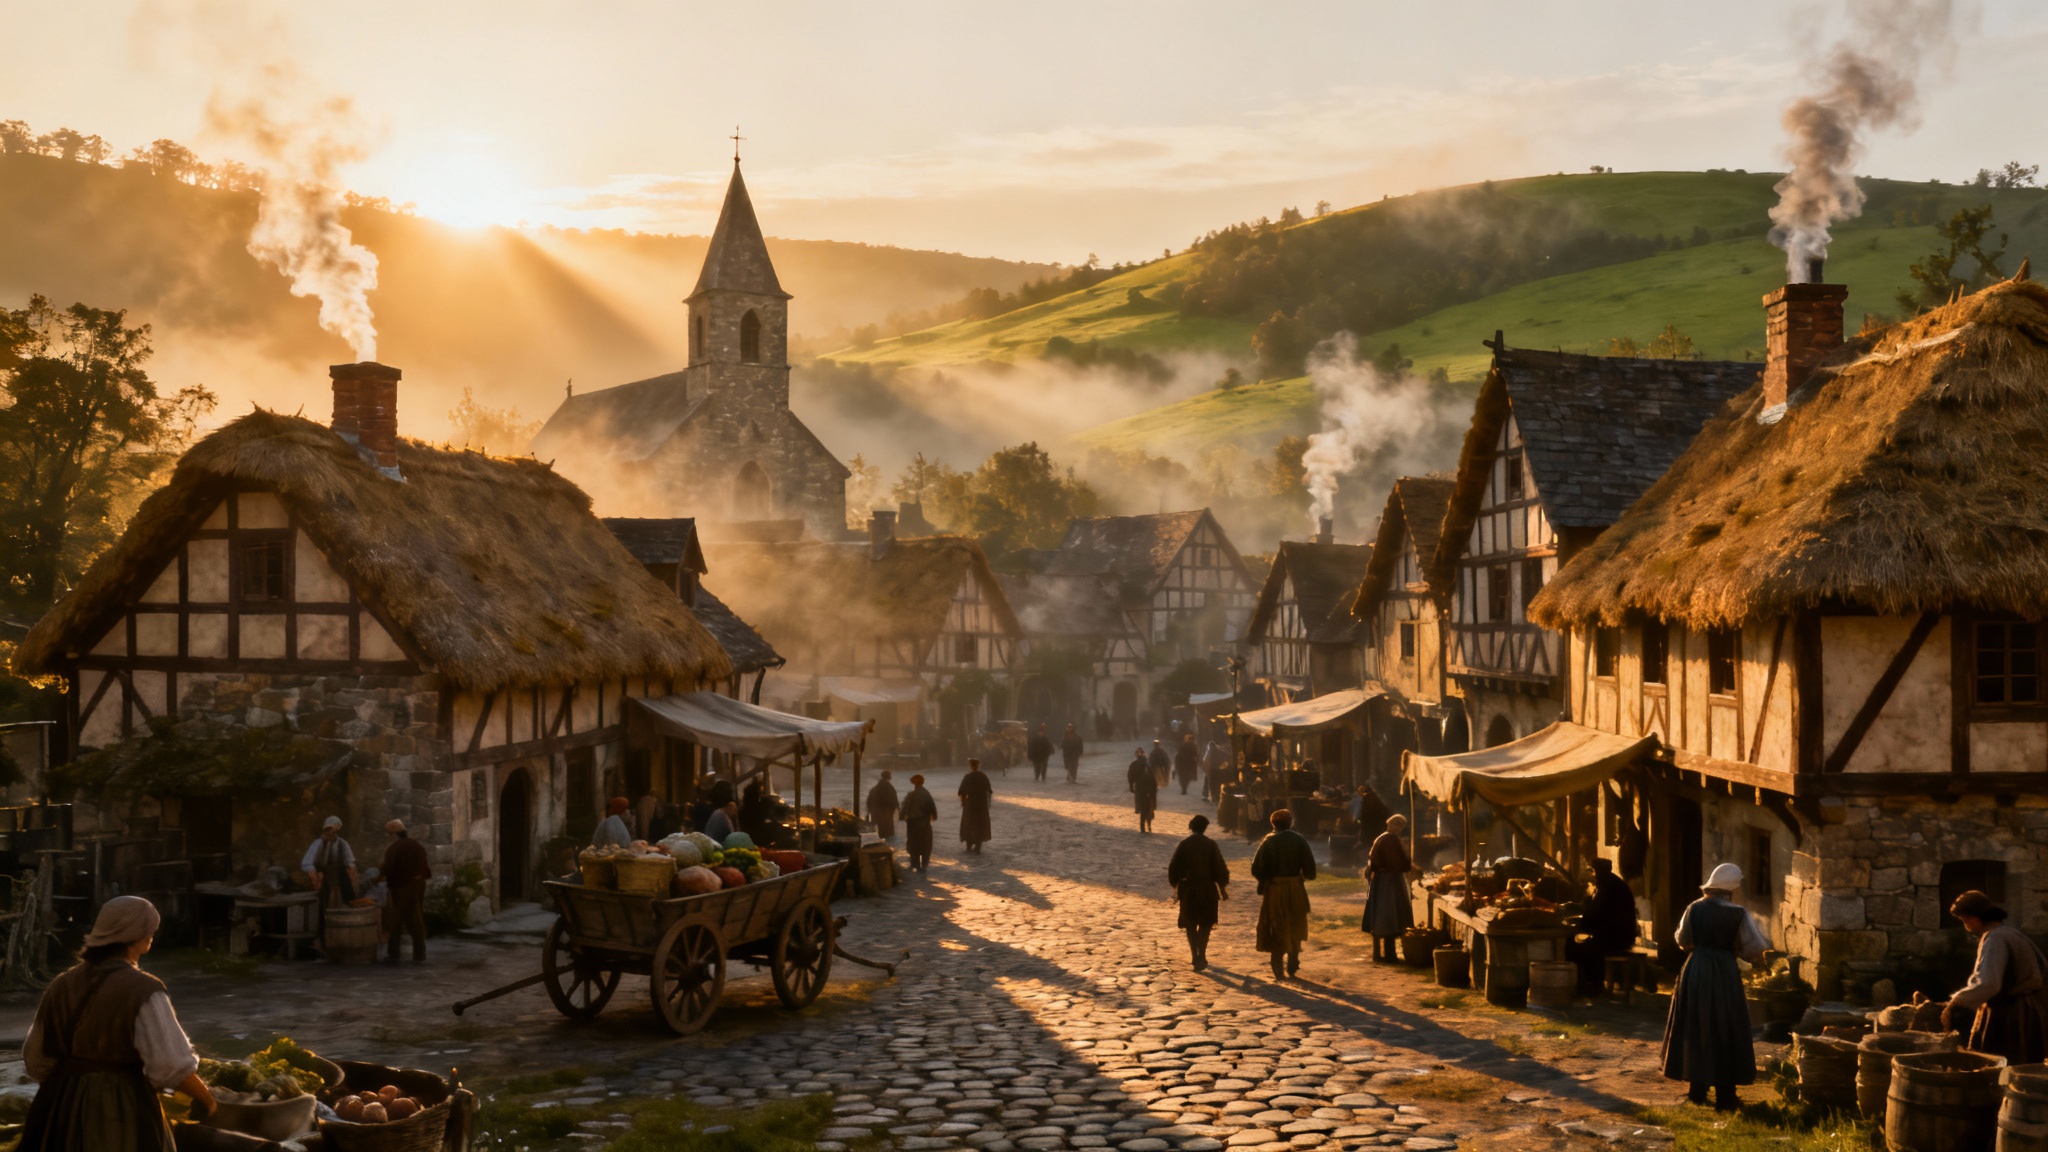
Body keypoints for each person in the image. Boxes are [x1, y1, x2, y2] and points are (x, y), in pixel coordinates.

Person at [20, 896, 216, 1151]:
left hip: (59, 1107)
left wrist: (71, 1090)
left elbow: (36, 1059)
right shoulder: (144, 990)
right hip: (119, 1111)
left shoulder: (62, 984)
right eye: (149, 931)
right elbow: (171, 1065)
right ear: (137, 935)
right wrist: (207, 1098)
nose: (151, 936)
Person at [1662, 863, 1767, 1112]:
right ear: (1732, 888)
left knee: (1696, 1025)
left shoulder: (1694, 908)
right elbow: (1753, 947)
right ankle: (1725, 1096)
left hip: (1696, 969)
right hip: (1723, 972)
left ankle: (1697, 1091)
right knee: (1725, 1025)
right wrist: (1756, 961)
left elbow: (1682, 939)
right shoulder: (1738, 913)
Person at [1943, 890, 2048, 1064]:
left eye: (1965, 919)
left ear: (1976, 916)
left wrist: (1956, 1001)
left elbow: (1989, 983)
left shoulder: (1995, 939)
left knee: (2001, 1067)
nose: (1966, 925)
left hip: (2012, 1015)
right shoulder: (2011, 933)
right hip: (2028, 1010)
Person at [1252, 809, 1318, 980]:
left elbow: (1257, 868)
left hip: (1275, 889)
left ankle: (1277, 964)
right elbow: (1310, 869)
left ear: (1273, 824)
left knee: (1277, 923)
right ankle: (1293, 960)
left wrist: (1265, 879)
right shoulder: (1299, 840)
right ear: (1290, 823)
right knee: (1296, 921)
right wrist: (1302, 876)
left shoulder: (1269, 841)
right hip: (1295, 887)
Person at [1567, 858, 1640, 993]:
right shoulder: (1611, 883)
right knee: (1584, 943)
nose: (1593, 874)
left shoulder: (1608, 885)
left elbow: (1596, 913)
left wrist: (1582, 916)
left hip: (1618, 935)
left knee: (1578, 948)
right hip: (1617, 932)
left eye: (1594, 871)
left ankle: (1594, 984)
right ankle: (1593, 983)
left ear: (1598, 871)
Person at [1168, 814, 1230, 971]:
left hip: (1188, 889)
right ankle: (1201, 953)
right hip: (1208, 889)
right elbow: (1220, 868)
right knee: (1206, 923)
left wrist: (1175, 886)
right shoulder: (1211, 845)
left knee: (1190, 924)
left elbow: (1174, 868)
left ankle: (1194, 954)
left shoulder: (1184, 844)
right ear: (1205, 828)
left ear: (1191, 827)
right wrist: (1222, 888)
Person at [1361, 814, 1415, 962]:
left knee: (1385, 915)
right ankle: (1389, 955)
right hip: (1389, 881)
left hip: (1382, 880)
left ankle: (1385, 954)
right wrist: (1407, 863)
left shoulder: (1382, 838)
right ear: (1397, 826)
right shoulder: (1389, 840)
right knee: (1390, 915)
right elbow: (1398, 863)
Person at [379, 819, 431, 964]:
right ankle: (419, 952)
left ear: (394, 834)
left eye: (389, 834)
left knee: (396, 919)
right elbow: (424, 867)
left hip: (402, 888)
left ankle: (394, 952)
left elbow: (387, 868)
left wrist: (377, 878)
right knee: (415, 918)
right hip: (418, 886)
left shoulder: (395, 848)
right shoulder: (417, 846)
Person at [302, 816, 358, 909]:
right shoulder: (317, 843)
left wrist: (352, 875)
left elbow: (350, 862)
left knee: (347, 890)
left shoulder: (343, 844)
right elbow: (307, 862)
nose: (330, 832)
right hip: (323, 873)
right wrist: (313, 874)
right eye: (328, 830)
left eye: (333, 830)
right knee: (323, 896)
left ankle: (347, 906)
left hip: (340, 873)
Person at [902, 774, 938, 873]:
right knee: (925, 843)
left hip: (913, 823)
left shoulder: (911, 795)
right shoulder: (926, 794)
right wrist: (933, 816)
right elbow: (932, 809)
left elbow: (905, 808)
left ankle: (915, 863)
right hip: (924, 822)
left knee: (914, 843)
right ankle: (924, 863)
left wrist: (902, 816)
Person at [958, 759, 994, 853]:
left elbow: (961, 791)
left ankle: (969, 843)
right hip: (981, 805)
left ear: (970, 766)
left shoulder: (968, 777)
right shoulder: (983, 776)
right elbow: (989, 790)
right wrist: (988, 803)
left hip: (970, 804)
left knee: (969, 823)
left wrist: (963, 801)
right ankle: (978, 844)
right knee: (979, 823)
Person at [1127, 747, 1158, 833]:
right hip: (1145, 788)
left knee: (1146, 806)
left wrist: (1131, 786)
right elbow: (1131, 776)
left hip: (1144, 788)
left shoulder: (1144, 765)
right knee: (1147, 806)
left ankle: (1145, 823)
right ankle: (1145, 823)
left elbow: (1131, 776)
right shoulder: (1141, 765)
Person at [867, 769, 901, 841]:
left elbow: (869, 800)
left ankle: (882, 841)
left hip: (878, 810)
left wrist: (870, 810)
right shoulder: (889, 787)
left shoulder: (875, 788)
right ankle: (888, 845)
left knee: (881, 828)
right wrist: (898, 808)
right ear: (889, 777)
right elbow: (893, 798)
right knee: (888, 829)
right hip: (887, 811)